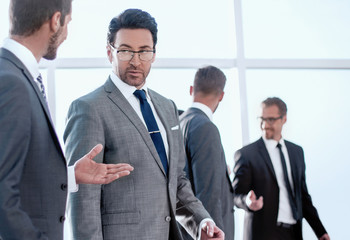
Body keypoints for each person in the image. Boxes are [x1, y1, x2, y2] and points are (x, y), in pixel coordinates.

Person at [63, 8, 224, 240]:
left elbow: (175, 181)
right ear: (110, 53)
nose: (136, 61)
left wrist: (202, 222)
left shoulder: (167, 107)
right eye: (126, 51)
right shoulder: (89, 108)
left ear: (154, 54)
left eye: (144, 51)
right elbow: (83, 199)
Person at [0, 1, 133, 239]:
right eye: (68, 23)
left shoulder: (14, 75)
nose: (66, 34)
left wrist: (70, 175)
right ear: (56, 20)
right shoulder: (12, 83)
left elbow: (20, 178)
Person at [232, 97, 330, 240]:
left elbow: (303, 196)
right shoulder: (247, 154)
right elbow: (234, 195)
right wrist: (247, 201)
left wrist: (320, 232)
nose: (265, 125)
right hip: (263, 234)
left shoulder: (296, 152)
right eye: (261, 119)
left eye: (271, 120)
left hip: (293, 233)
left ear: (284, 119)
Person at [179, 66, 234, 240]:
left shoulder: (179, 123)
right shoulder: (205, 127)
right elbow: (208, 193)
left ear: (191, 90)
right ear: (222, 96)